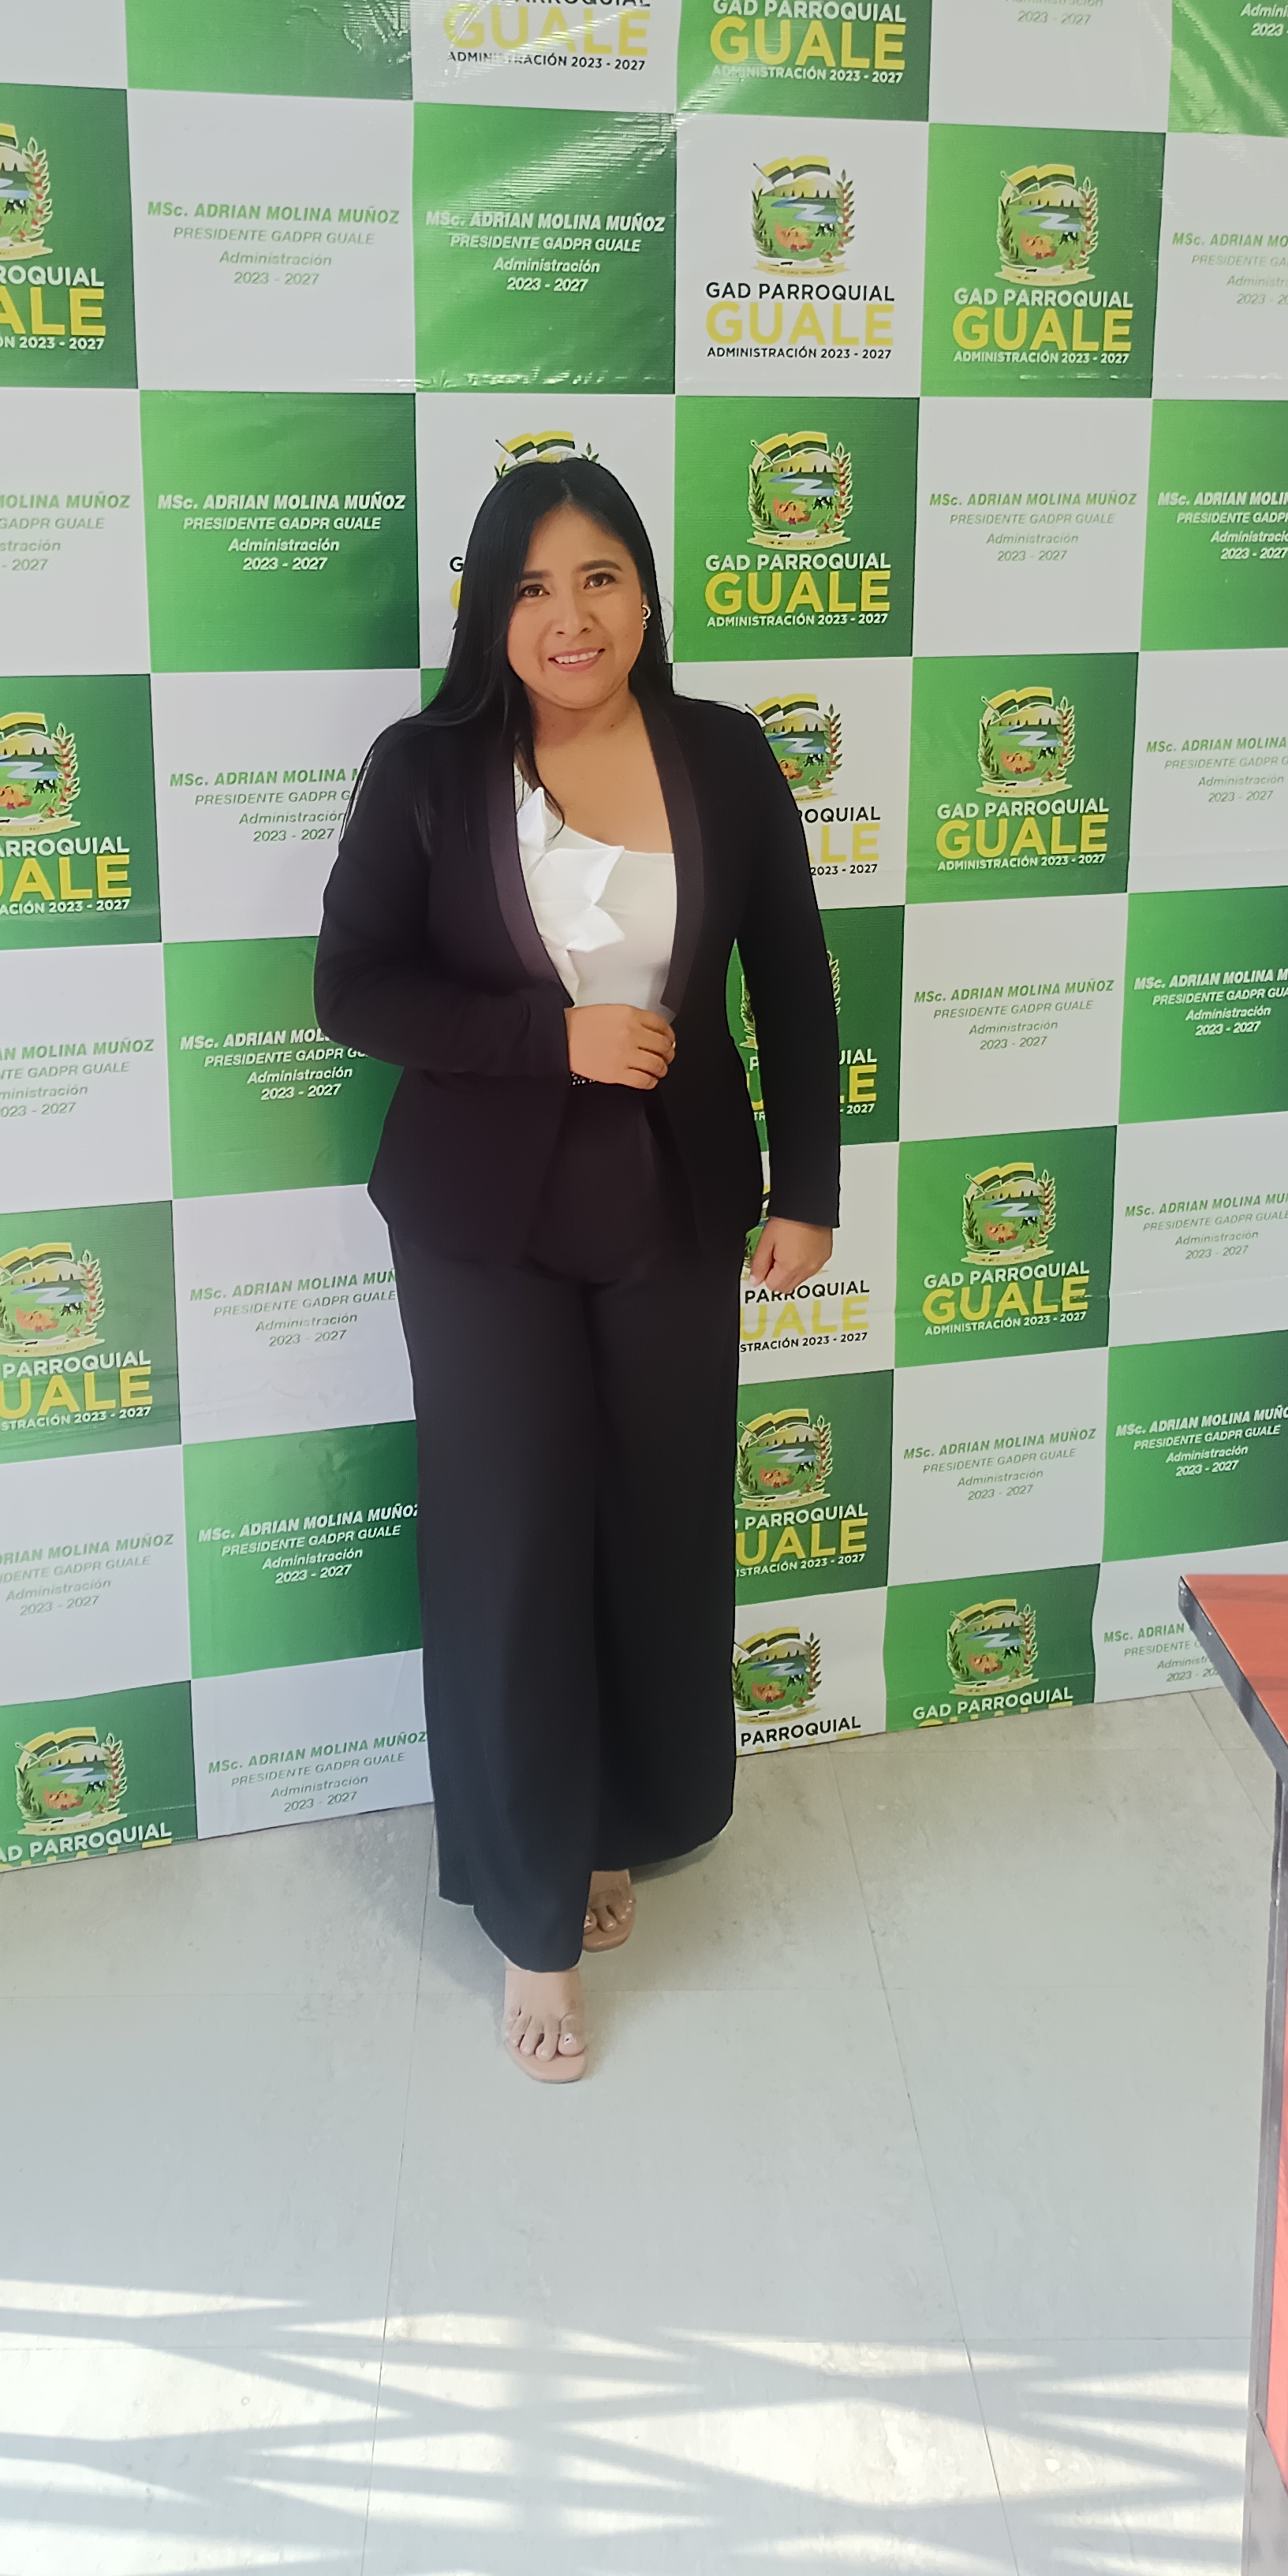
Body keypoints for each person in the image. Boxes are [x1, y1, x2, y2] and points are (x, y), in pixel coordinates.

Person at [313, 459, 840, 2081]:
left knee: (653, 1526)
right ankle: (533, 1913)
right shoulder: (426, 767)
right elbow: (353, 988)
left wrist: (810, 1188)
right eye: (531, 586)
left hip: (674, 1210)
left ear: (646, 592)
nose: (570, 616)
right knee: (517, 1546)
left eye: (600, 576)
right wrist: (551, 1040)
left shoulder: (725, 754)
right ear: (489, 609)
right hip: (480, 1227)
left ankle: (610, 1816)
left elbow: (794, 981)